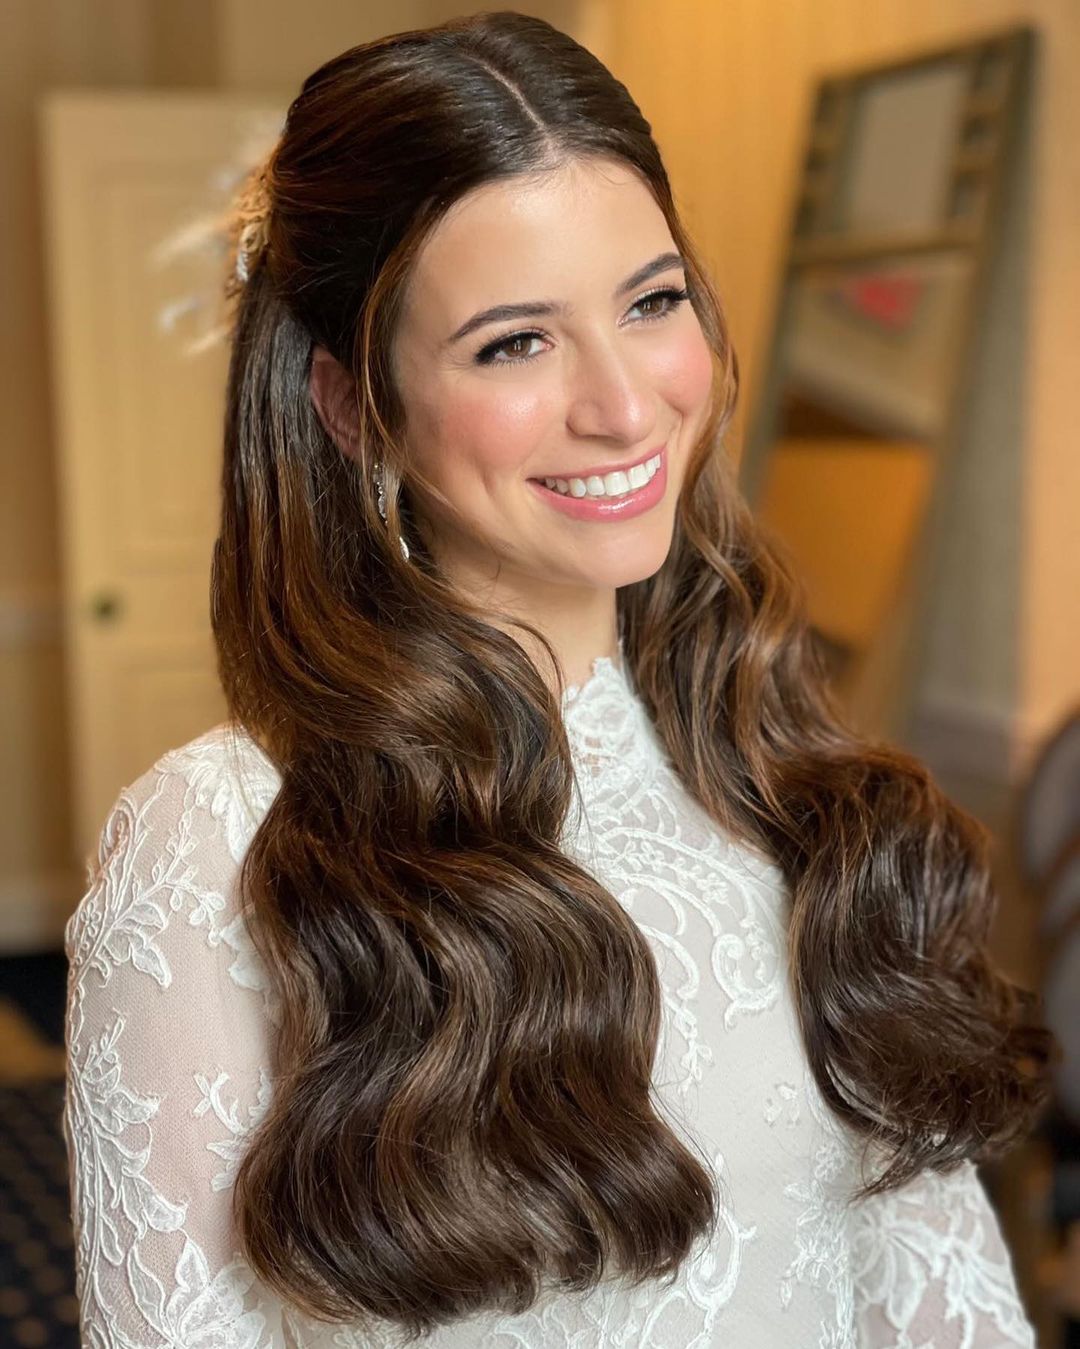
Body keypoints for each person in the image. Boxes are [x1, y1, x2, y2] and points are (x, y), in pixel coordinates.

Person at [61, 11, 1053, 1347]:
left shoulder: (779, 776)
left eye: (651, 303)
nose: (626, 407)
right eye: (514, 343)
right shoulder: (217, 846)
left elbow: (938, 1290)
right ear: (353, 407)